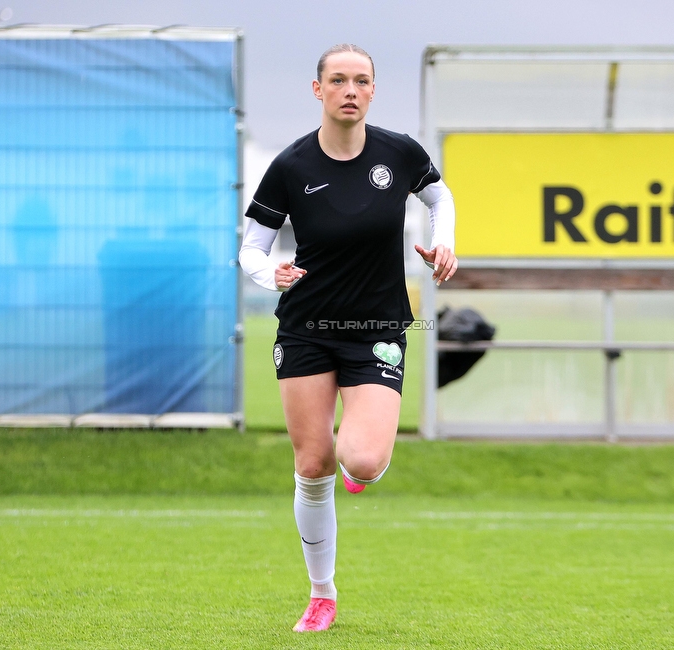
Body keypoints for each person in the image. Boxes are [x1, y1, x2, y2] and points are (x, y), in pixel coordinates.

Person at [239, 43, 457, 633]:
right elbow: (250, 250)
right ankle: (321, 593)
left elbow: (440, 196)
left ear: (373, 89)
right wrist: (270, 274)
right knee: (313, 464)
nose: (350, 90)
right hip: (306, 328)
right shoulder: (290, 167)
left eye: (361, 80)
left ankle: (361, 458)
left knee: (358, 457)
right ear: (319, 90)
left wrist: (445, 243)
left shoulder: (399, 153)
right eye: (338, 80)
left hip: (378, 327)